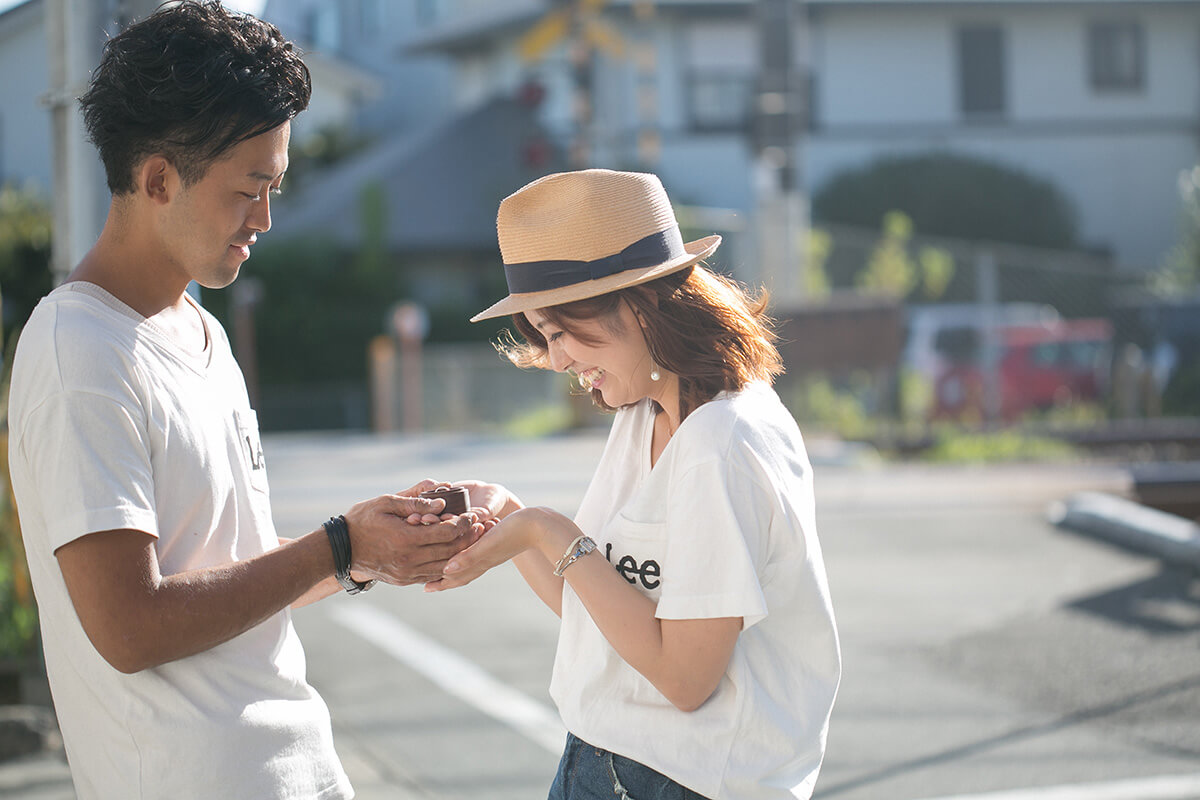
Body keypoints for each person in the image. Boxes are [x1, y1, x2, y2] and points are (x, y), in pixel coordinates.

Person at [6, 3, 482, 798]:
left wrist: (374, 546)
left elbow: (238, 578)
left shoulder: (203, 335)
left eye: (275, 185)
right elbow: (128, 627)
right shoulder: (77, 349)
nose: (265, 218)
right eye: (248, 189)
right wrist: (337, 545)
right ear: (157, 179)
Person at [429, 169, 841, 799]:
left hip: (677, 780)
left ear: (638, 306)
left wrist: (546, 528)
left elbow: (684, 678)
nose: (559, 360)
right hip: (612, 763)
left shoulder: (720, 444)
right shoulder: (647, 410)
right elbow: (599, 611)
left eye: (560, 332)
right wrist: (512, 520)